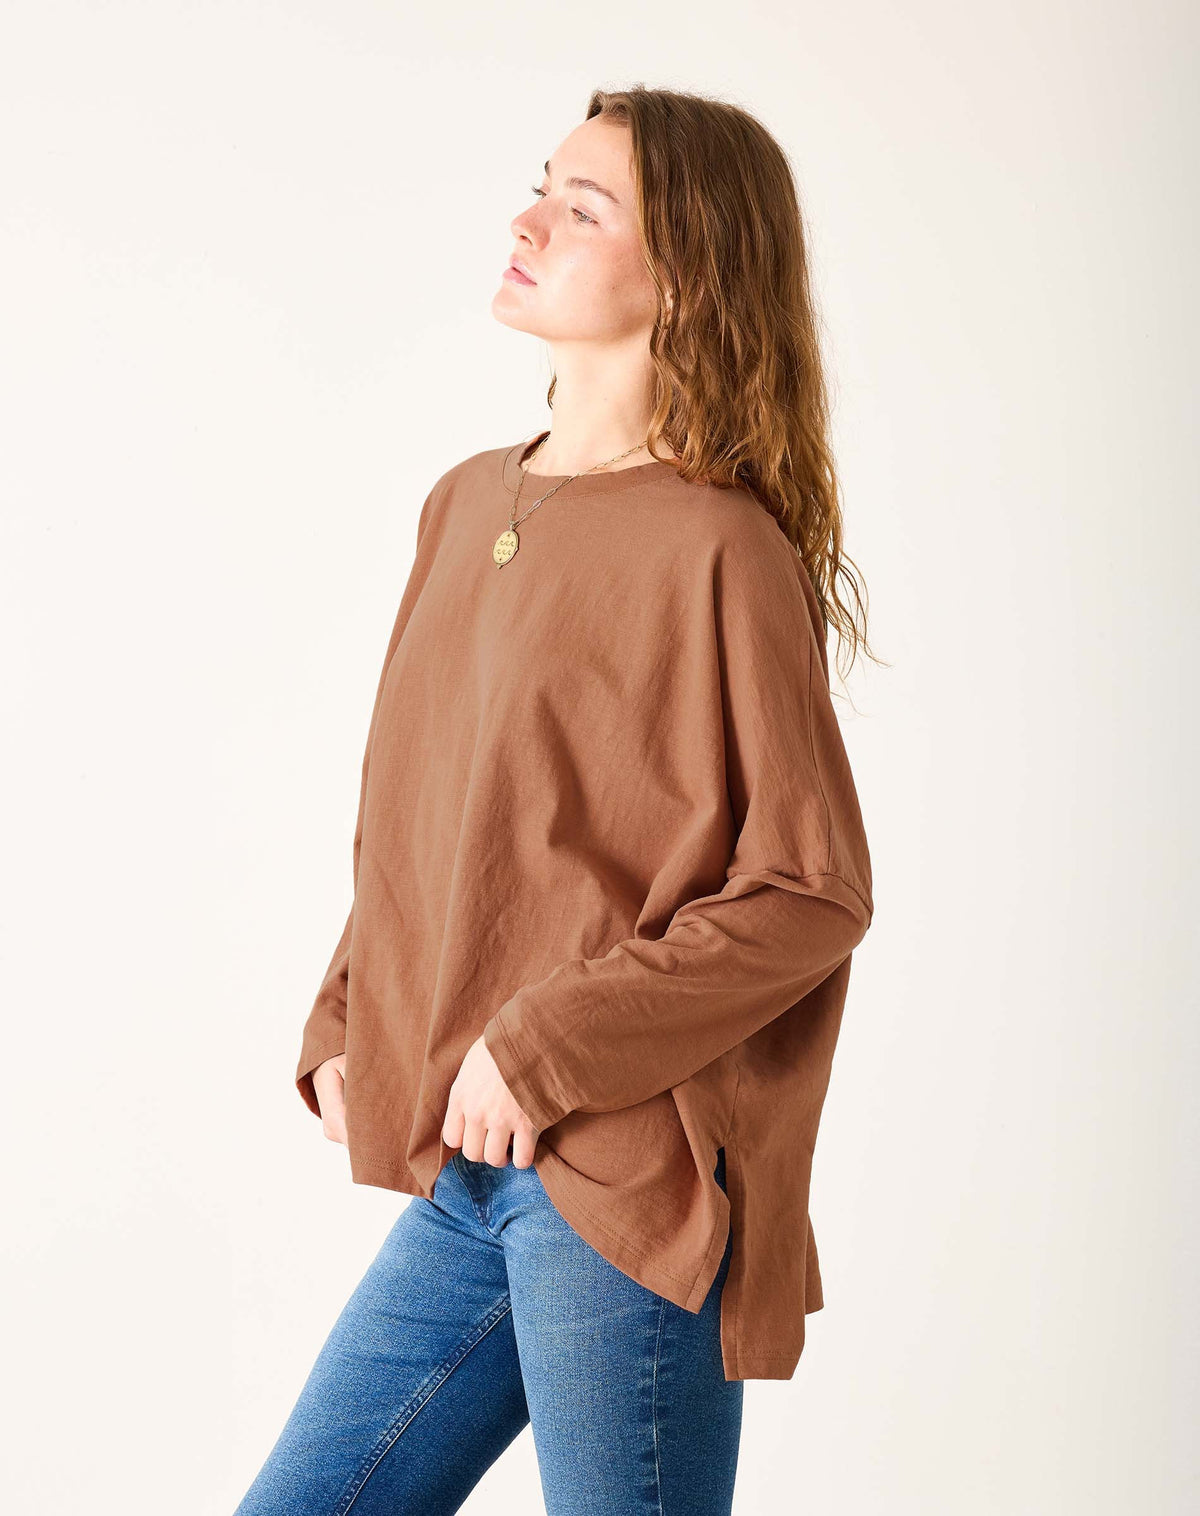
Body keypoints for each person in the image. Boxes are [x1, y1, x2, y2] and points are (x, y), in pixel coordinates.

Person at [235, 85, 878, 1516]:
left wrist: (545, 1044)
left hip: (623, 1171)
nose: (527, 221)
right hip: (471, 1173)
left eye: (582, 209)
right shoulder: (466, 502)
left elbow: (812, 888)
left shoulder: (721, 549)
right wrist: (352, 1011)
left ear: (688, 277)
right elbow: (435, 814)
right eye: (542, 186)